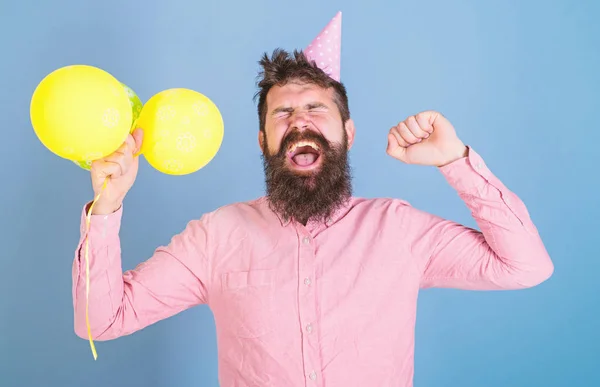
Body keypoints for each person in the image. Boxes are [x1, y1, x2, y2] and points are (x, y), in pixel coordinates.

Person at [72, 13, 553, 387]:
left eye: (315, 109)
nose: (300, 122)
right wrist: (107, 207)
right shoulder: (216, 235)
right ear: (263, 140)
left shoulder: (399, 230)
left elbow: (525, 266)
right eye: (283, 112)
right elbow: (102, 320)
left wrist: (456, 161)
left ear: (347, 133)